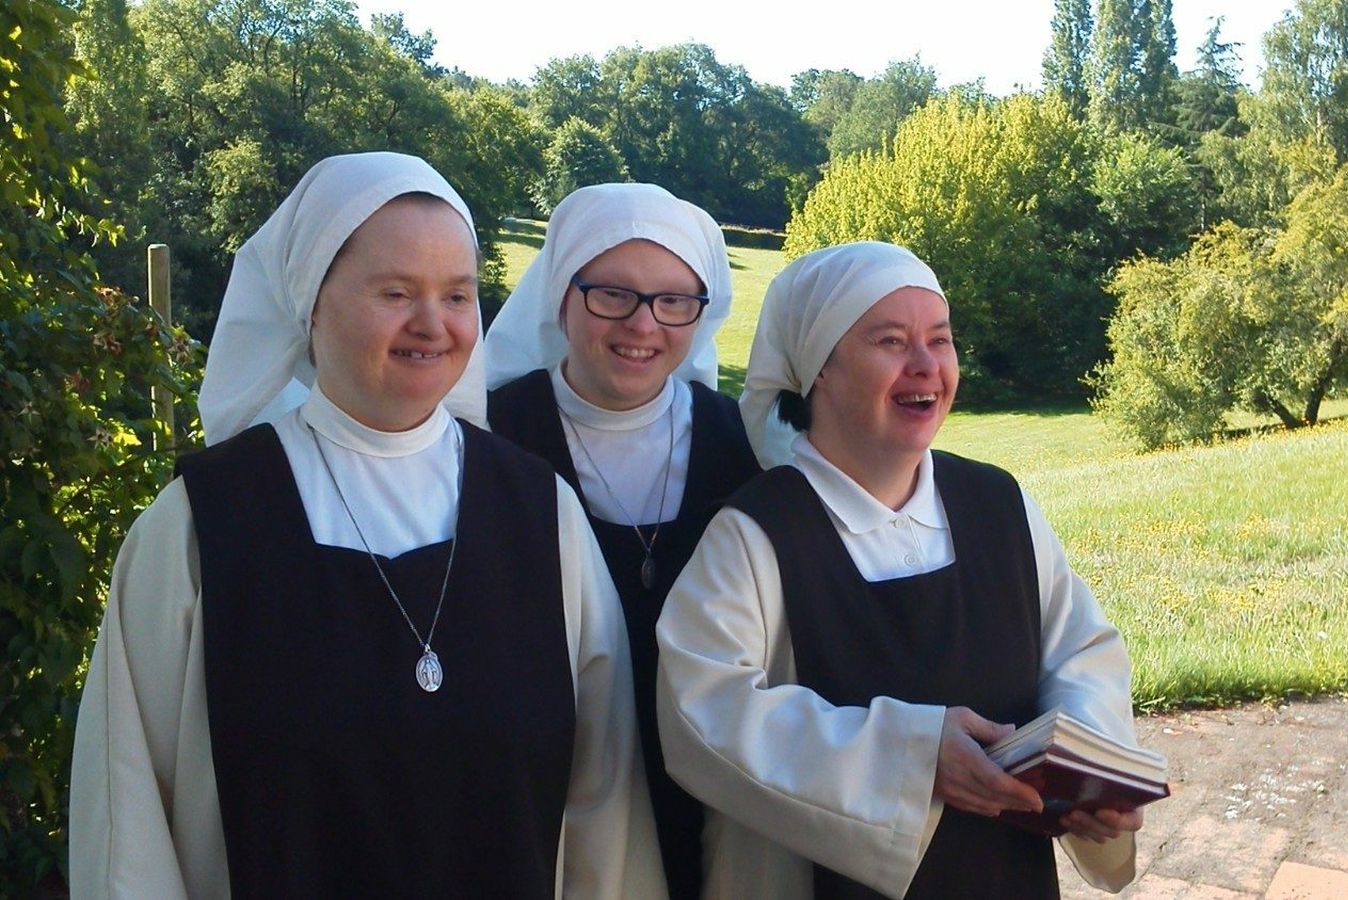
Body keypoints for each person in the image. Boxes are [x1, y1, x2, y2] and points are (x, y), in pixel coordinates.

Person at [69, 152, 665, 899]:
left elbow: (605, 801)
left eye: (457, 294)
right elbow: (127, 812)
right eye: (395, 292)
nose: (433, 324)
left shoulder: (541, 514)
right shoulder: (206, 523)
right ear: (310, 301)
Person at [655, 241, 1148, 899]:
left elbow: (1080, 654)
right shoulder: (755, 534)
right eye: (890, 341)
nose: (926, 365)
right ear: (818, 369)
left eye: (939, 340)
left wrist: (1087, 772)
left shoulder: (999, 505)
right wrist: (911, 759)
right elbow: (703, 715)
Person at [483, 183, 761, 900]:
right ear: (562, 295)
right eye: (613, 294)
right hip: (553, 803)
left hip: (716, 793)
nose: (644, 324)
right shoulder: (488, 439)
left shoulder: (744, 446)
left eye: (675, 301)